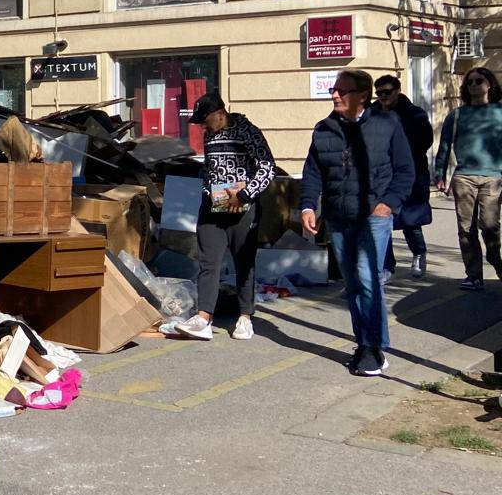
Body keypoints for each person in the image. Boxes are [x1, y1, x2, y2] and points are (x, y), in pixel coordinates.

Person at [300, 68, 413, 376]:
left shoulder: (387, 125)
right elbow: (312, 172)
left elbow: (405, 171)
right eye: (334, 90)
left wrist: (387, 205)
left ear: (362, 96)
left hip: (372, 218)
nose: (335, 94)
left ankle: (374, 348)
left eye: (342, 90)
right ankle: (364, 343)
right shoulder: (324, 129)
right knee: (352, 284)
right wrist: (308, 206)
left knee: (367, 279)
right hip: (338, 217)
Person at [166, 93, 276, 341]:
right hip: (214, 203)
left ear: (219, 113)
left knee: (244, 261)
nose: (202, 126)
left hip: (243, 204)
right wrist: (207, 187)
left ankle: (245, 316)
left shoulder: (248, 131)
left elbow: (267, 166)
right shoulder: (209, 135)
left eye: (205, 120)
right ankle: (204, 317)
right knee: (208, 260)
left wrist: (246, 193)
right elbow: (209, 167)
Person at [432, 65, 502, 290]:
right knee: (465, 229)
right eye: (469, 82)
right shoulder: (458, 115)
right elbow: (444, 146)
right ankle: (474, 275)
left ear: (489, 84)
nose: (473, 85)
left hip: (493, 178)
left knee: (490, 226)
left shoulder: (500, 112)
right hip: (464, 177)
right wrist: (440, 174)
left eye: (478, 81)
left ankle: (495, 258)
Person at [374, 75, 433, 279]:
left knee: (410, 220)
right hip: (380, 175)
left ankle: (418, 252)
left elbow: (425, 141)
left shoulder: (414, 114)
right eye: (379, 93)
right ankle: (386, 266)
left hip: (409, 174)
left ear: (398, 91)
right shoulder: (371, 113)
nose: (383, 96)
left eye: (387, 92)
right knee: (381, 220)